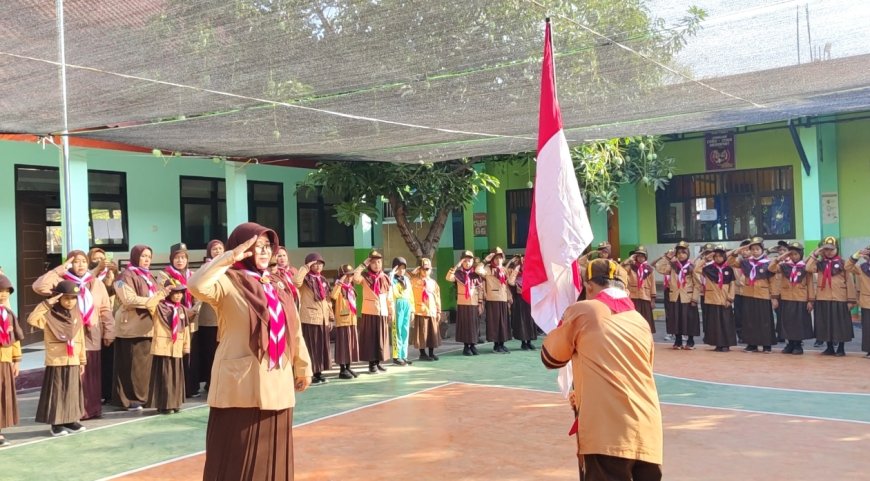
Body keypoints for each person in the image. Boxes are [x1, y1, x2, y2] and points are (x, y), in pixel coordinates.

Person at [188, 222, 311, 481]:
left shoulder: (278, 284)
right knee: (236, 459)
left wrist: (302, 366)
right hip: (240, 387)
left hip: (277, 381)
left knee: (273, 457)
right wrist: (229, 257)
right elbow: (196, 285)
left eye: (268, 247)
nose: (264, 252)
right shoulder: (228, 282)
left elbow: (294, 328)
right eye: (256, 247)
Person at [541, 259, 662, 480]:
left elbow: (550, 357)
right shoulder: (640, 321)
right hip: (647, 432)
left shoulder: (586, 310)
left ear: (588, 286)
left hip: (607, 433)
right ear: (624, 288)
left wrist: (565, 315)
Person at [32, 250, 114, 420]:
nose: (81, 264)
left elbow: (105, 309)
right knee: (74, 375)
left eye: (84, 261)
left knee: (90, 373)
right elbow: (38, 287)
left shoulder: (96, 283)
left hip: (92, 333)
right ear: (69, 264)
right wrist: (58, 270)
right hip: (69, 335)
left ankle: (92, 409)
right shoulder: (62, 282)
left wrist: (109, 331)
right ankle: (74, 412)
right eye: (76, 261)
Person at [28, 281, 88, 437]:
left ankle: (70, 420)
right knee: (57, 392)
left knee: (72, 391)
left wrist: (82, 360)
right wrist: (48, 303)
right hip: (57, 360)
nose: (70, 302)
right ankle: (57, 424)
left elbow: (80, 338)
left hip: (73, 359)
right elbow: (32, 319)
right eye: (66, 298)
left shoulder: (77, 314)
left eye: (73, 298)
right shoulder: (49, 315)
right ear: (58, 298)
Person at [113, 244, 159, 411]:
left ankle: (143, 397)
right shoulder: (124, 276)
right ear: (135, 257)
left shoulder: (147, 276)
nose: (146, 260)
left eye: (149, 256)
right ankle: (130, 399)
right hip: (131, 326)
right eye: (143, 256)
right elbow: (128, 299)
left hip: (148, 326)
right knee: (132, 365)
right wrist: (153, 301)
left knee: (144, 366)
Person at [157, 243, 201, 398]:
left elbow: (199, 296)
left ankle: (190, 387)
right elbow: (162, 295)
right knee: (176, 352)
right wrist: (182, 311)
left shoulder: (193, 275)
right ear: (171, 259)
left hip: (191, 318)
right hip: (173, 319)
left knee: (190, 352)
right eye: (176, 258)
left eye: (183, 257)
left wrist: (194, 310)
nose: (180, 261)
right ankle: (177, 389)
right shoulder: (164, 275)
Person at [806, 236, 856, 356]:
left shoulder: (843, 263)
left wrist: (851, 300)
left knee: (840, 324)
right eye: (826, 249)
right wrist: (815, 254)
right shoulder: (820, 264)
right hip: (823, 297)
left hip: (840, 298)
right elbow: (808, 268)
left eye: (831, 249)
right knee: (825, 323)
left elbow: (849, 281)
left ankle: (841, 348)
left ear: (837, 249)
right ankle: (829, 347)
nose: (829, 252)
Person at [146, 280, 191, 414]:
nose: (178, 296)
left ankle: (175, 403)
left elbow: (185, 328)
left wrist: (186, 346)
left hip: (176, 347)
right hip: (163, 347)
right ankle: (164, 404)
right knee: (164, 376)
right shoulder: (160, 307)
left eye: (180, 293)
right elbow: (148, 304)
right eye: (174, 292)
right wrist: (162, 292)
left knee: (176, 377)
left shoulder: (181, 309)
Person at [727, 237, 776, 353]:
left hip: (763, 294)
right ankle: (752, 344)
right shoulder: (745, 262)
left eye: (757, 249)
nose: (754, 251)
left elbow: (773, 281)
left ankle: (766, 344)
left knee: (764, 321)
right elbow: (730, 261)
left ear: (762, 250)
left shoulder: (768, 263)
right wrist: (737, 251)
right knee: (749, 320)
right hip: (748, 293)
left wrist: (774, 297)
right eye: (752, 249)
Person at [293, 253, 333, 384]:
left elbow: (327, 299)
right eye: (315, 263)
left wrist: (331, 317)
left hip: (323, 318)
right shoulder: (305, 279)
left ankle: (319, 372)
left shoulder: (323, 280)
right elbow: (295, 282)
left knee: (321, 347)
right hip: (309, 318)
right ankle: (311, 372)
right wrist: (305, 267)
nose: (318, 266)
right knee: (311, 346)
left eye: (320, 263)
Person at [769, 242, 815, 355]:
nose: (793, 256)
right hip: (786, 297)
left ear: (801, 254)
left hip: (801, 298)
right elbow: (771, 268)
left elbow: (810, 284)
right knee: (787, 322)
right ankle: (790, 344)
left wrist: (811, 300)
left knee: (799, 323)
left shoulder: (805, 267)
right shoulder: (784, 266)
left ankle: (798, 345)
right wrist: (781, 257)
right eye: (791, 254)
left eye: (796, 254)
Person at [353, 250, 394, 373]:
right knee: (370, 338)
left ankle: (378, 361)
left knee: (381, 338)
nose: (377, 265)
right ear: (369, 264)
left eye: (379, 262)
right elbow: (355, 277)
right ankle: (371, 364)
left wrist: (391, 311)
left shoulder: (385, 278)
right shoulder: (365, 277)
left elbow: (389, 296)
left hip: (382, 312)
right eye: (373, 262)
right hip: (369, 311)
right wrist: (363, 264)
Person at [655, 241, 700, 350]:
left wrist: (694, 298)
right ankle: (678, 340)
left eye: (684, 253)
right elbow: (659, 268)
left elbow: (697, 283)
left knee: (689, 319)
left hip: (688, 297)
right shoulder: (672, 266)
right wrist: (666, 258)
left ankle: (690, 341)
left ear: (687, 254)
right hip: (675, 296)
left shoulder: (691, 266)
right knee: (676, 319)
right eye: (678, 253)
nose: (681, 255)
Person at [88, 247, 118, 404]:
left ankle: (107, 393)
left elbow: (114, 292)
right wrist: (97, 270)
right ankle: (94, 394)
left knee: (108, 362)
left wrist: (115, 273)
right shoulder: (86, 277)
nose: (100, 262)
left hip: (107, 323)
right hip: (90, 326)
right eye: (96, 259)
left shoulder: (109, 275)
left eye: (102, 259)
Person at [195, 239, 224, 392]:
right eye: (214, 249)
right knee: (210, 352)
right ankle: (210, 382)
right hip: (209, 318)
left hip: (225, 317)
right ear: (209, 252)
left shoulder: (229, 267)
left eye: (220, 248)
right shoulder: (205, 268)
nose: (218, 251)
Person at [698, 245, 736, 352]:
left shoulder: (729, 269)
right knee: (715, 323)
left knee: (726, 322)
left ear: (724, 256)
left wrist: (730, 298)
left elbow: (732, 285)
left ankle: (726, 344)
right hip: (712, 299)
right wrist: (706, 258)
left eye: (720, 256)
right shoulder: (708, 268)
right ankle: (717, 344)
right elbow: (696, 268)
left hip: (724, 299)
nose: (718, 258)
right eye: (716, 256)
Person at [446, 251, 485, 356]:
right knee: (465, 325)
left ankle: (473, 345)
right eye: (465, 261)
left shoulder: (476, 274)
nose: (467, 263)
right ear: (461, 262)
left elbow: (480, 290)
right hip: (463, 304)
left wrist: (480, 303)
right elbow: (448, 278)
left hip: (474, 303)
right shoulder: (458, 274)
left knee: (474, 325)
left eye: (470, 260)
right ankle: (466, 347)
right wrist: (457, 265)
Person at [0, 274, 23, 446]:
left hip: (5, 361)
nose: (3, 294)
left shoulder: (8, 314)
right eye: (0, 290)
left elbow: (14, 338)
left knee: (2, 396)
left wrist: (17, 360)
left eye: (7, 291)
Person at [331, 264, 360, 379]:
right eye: (347, 275)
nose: (349, 277)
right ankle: (342, 369)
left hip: (351, 320)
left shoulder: (350, 287)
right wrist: (340, 282)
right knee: (343, 346)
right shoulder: (339, 287)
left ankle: (348, 367)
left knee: (350, 345)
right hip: (342, 321)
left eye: (351, 275)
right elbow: (333, 296)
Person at [410, 258, 441, 361]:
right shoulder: (413, 281)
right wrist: (413, 273)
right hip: (420, 310)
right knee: (422, 333)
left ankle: (431, 353)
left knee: (432, 333)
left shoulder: (433, 282)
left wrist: (438, 310)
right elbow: (404, 279)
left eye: (427, 269)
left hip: (431, 310)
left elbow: (437, 297)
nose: (425, 271)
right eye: (423, 269)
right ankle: (422, 354)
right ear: (419, 269)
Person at [483, 247, 512, 353]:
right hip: (493, 298)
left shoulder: (504, 270)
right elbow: (478, 270)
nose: (498, 260)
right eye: (496, 258)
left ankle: (502, 343)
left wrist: (509, 298)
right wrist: (485, 260)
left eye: (500, 258)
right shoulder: (488, 268)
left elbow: (507, 285)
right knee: (495, 322)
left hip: (503, 298)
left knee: (503, 322)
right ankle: (496, 345)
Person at [622, 246, 656, 333]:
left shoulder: (649, 269)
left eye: (642, 256)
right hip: (633, 297)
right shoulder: (630, 267)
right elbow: (620, 270)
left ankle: (646, 335)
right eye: (638, 256)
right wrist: (628, 260)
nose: (640, 258)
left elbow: (653, 285)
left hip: (645, 297)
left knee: (646, 319)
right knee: (634, 319)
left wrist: (653, 300)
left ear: (645, 257)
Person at [507, 255, 537, 350]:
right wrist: (516, 269)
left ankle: (529, 341)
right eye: (523, 262)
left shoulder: (530, 273)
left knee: (530, 320)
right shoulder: (516, 274)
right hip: (520, 300)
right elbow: (510, 282)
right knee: (522, 321)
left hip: (530, 300)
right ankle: (523, 342)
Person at [846, 246, 870, 357]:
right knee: (867, 327)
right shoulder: (862, 268)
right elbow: (847, 266)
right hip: (867, 302)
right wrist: (857, 255)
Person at [389, 257, 414, 365]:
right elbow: (389, 289)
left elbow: (411, 295)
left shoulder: (407, 280)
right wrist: (391, 274)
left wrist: (412, 310)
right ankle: (396, 356)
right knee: (397, 330)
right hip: (397, 304)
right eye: (399, 268)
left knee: (405, 330)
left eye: (403, 268)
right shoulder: (392, 280)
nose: (401, 270)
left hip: (407, 304)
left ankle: (404, 355)